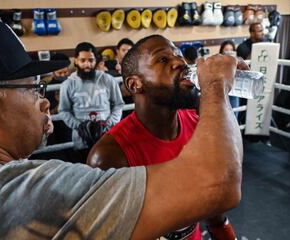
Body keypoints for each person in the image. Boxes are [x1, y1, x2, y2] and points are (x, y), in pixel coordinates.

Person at [0, 18, 242, 239]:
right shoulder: (11, 193)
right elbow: (218, 183)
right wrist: (216, 86)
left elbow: (215, 213)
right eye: (35, 88)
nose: (45, 101)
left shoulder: (196, 124)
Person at [87, 35, 242, 240]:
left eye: (178, 55)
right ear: (135, 84)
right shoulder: (109, 156)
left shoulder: (197, 123)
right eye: (162, 60)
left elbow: (216, 208)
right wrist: (215, 88)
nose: (180, 62)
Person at [58, 42, 124, 162]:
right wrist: (79, 126)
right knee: (85, 171)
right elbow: (63, 110)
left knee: (109, 169)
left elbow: (118, 104)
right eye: (83, 60)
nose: (87, 64)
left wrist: (109, 123)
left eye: (91, 60)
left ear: (96, 61)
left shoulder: (108, 80)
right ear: (76, 61)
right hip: (81, 139)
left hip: (107, 135)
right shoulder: (68, 84)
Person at [220, 40, 239, 118]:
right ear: (221, 52)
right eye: (226, 50)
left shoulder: (238, 63)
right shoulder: (216, 63)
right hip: (221, 94)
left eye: (231, 50)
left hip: (234, 93)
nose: (229, 52)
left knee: (234, 116)